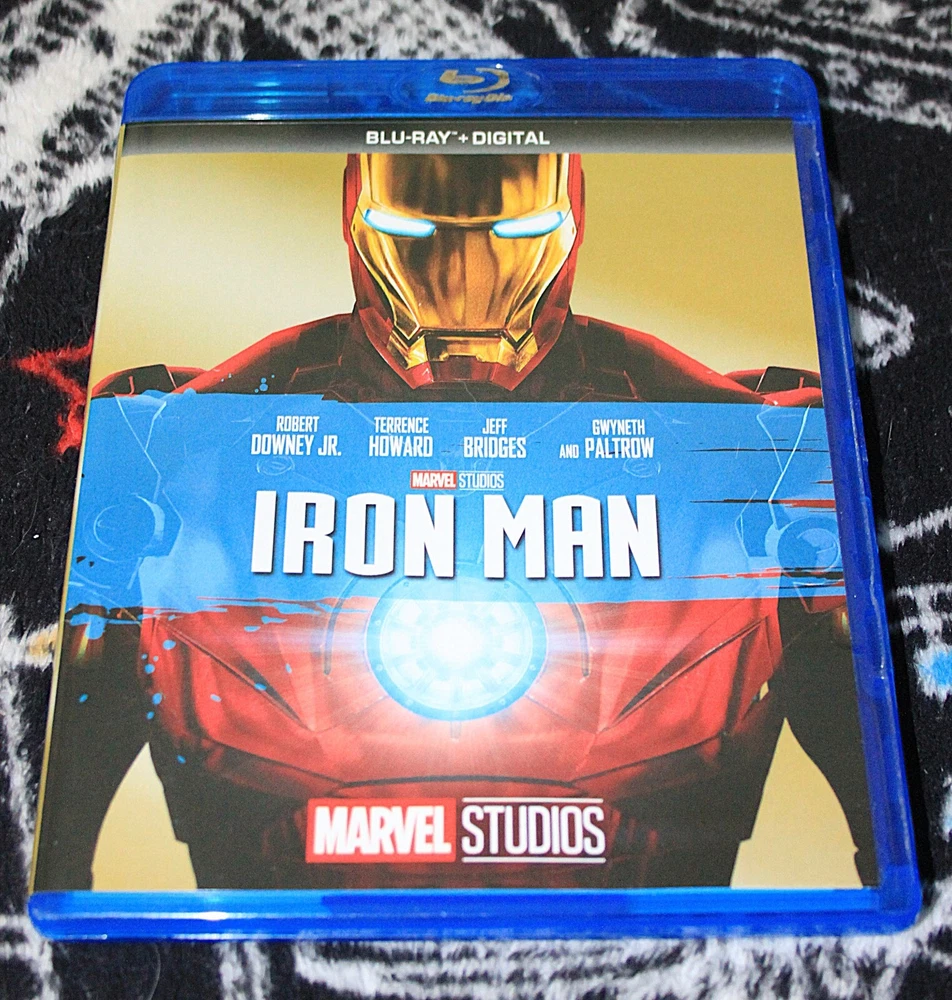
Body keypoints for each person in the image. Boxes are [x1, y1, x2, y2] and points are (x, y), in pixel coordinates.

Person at [35, 152, 875, 891]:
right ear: (360, 220)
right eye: (418, 233)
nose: (465, 273)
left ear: (566, 222)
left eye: (514, 233)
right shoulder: (164, 441)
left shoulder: (764, 444)